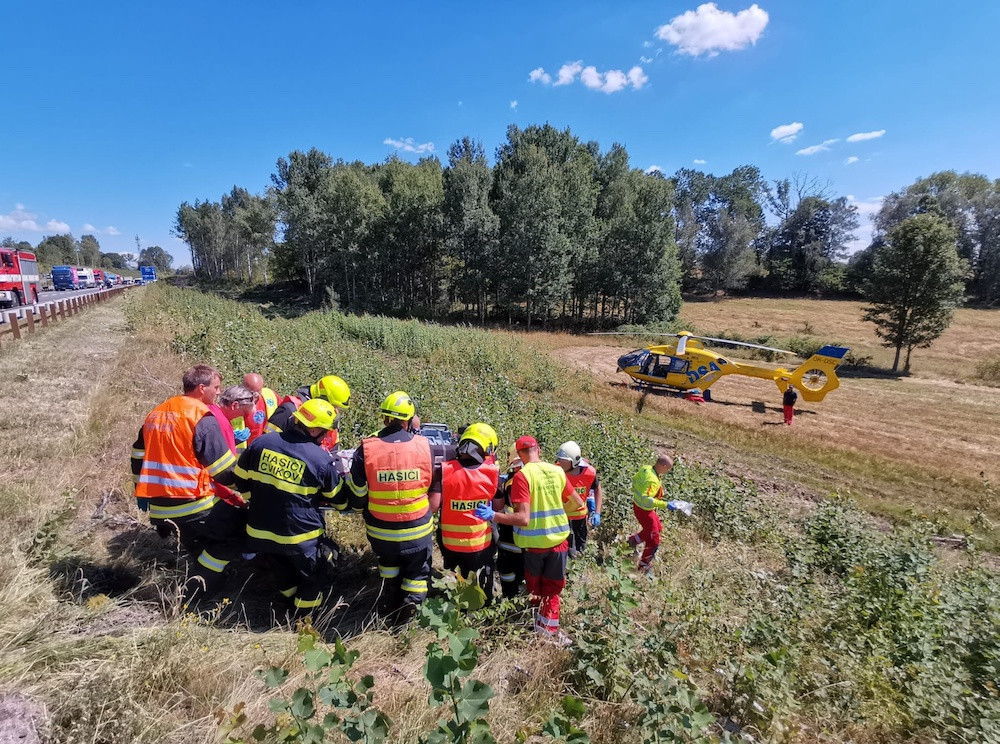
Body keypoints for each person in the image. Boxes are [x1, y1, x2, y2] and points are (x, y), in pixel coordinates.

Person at [233, 398, 343, 615]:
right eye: (326, 432)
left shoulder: (261, 443)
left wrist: (254, 500)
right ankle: (305, 620)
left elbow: (240, 478)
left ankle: (286, 604)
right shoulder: (319, 459)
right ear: (314, 431)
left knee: (283, 572)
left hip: (261, 532)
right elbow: (338, 499)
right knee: (315, 577)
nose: (327, 437)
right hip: (300, 537)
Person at [475, 436, 583, 643]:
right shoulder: (557, 470)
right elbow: (577, 504)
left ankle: (538, 631)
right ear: (539, 450)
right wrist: (556, 511)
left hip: (535, 545)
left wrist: (493, 516)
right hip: (559, 541)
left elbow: (523, 518)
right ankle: (548, 632)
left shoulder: (522, 477)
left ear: (519, 454)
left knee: (535, 589)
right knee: (552, 591)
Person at [348, 391, 439, 623]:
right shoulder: (424, 446)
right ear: (408, 420)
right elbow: (430, 486)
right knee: (417, 574)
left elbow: (357, 494)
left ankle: (389, 603)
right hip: (417, 530)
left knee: (389, 568)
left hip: (381, 532)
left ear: (385, 419)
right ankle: (410, 617)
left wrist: (364, 510)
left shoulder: (366, 449)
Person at [131, 364, 238, 556]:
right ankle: (205, 583)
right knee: (230, 541)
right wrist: (249, 483)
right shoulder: (201, 417)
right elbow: (224, 472)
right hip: (192, 504)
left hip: (159, 507)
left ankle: (194, 577)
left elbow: (138, 453)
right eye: (216, 387)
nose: (219, 392)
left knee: (195, 549)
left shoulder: (156, 413)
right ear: (202, 388)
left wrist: (139, 489)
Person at [432, 423, 500, 604]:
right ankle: (478, 609)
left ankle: (453, 609)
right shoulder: (492, 473)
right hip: (479, 544)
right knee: (478, 581)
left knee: (452, 579)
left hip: (449, 543)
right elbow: (499, 506)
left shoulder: (445, 470)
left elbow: (435, 505)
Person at [267, 375, 351, 452]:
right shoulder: (289, 410)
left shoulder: (331, 418)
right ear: (321, 397)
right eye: (333, 405)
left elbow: (333, 453)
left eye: (337, 407)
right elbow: (266, 442)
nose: (335, 410)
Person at [554, 441, 603, 556]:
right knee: (567, 550)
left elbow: (597, 489)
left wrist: (597, 512)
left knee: (581, 549)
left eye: (563, 460)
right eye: (559, 459)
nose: (560, 462)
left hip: (579, 518)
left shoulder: (589, 473)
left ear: (574, 461)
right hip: (561, 517)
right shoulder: (556, 471)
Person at [628, 454, 674, 573]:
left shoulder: (646, 468)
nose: (668, 471)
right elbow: (646, 499)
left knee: (657, 528)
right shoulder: (652, 480)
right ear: (663, 466)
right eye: (668, 468)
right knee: (654, 540)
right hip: (644, 510)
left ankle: (633, 541)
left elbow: (634, 479)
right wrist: (665, 505)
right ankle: (644, 565)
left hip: (639, 506)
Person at [493, 447, 525, 599]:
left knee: (507, 571)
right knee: (520, 574)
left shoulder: (514, 483)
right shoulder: (528, 479)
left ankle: (510, 599)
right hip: (526, 541)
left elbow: (514, 513)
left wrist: (496, 515)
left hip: (511, 539)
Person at [241, 372, 279, 446]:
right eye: (251, 392)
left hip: (266, 445)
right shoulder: (235, 401)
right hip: (245, 449)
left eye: (258, 391)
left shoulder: (270, 395)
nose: (255, 395)